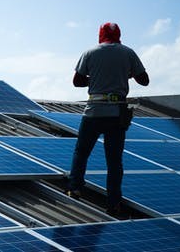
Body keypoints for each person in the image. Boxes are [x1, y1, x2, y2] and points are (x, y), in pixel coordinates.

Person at [67, 22, 149, 216]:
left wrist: (95, 78)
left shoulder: (89, 53)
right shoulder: (128, 53)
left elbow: (77, 81)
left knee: (82, 152)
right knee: (114, 161)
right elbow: (144, 80)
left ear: (100, 35)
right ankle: (113, 202)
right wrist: (124, 75)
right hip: (116, 114)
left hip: (93, 112)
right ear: (119, 35)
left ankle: (75, 188)